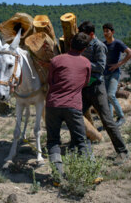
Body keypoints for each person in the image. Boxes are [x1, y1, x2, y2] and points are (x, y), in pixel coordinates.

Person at [79, 21, 129, 165]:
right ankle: (82, 149)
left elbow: (101, 67)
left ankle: (122, 151)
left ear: (92, 34)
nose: (82, 38)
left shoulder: (99, 46)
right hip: (85, 87)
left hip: (97, 88)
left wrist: (83, 62)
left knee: (107, 121)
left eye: (84, 35)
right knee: (76, 116)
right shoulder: (83, 44)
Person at [45, 32, 93, 178]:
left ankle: (58, 176)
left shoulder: (56, 60)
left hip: (53, 104)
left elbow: (50, 81)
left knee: (53, 140)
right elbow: (85, 83)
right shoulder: (86, 63)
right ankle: (90, 173)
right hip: (73, 105)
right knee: (81, 140)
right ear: (84, 49)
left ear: (70, 43)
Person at [103, 23, 131, 127]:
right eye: (104, 31)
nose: (105, 33)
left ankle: (121, 117)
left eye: (107, 31)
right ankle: (110, 119)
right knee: (107, 97)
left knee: (111, 95)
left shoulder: (117, 43)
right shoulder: (104, 45)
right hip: (105, 73)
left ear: (112, 32)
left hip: (114, 73)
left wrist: (118, 64)